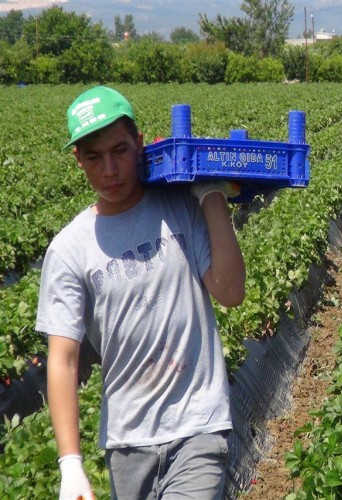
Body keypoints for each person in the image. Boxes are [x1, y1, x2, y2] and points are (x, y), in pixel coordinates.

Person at [37, 86, 246, 499]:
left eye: (119, 150)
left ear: (140, 143)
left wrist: (212, 196)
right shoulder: (69, 249)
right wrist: (70, 464)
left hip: (198, 426)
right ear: (78, 159)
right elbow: (63, 358)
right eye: (94, 157)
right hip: (127, 439)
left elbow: (231, 292)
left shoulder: (179, 208)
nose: (109, 170)